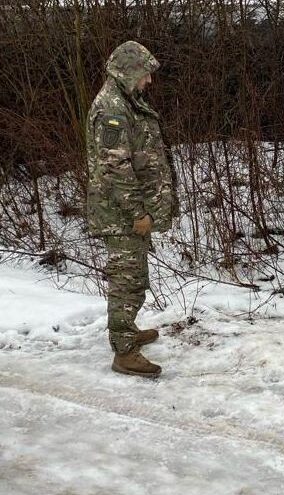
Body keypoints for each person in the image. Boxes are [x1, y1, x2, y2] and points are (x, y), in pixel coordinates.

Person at [86, 41, 178, 378]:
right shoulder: (112, 109)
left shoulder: (126, 101)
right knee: (127, 280)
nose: (148, 81)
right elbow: (115, 169)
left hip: (126, 211)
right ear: (127, 72)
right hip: (120, 214)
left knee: (134, 276)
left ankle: (126, 330)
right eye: (144, 74)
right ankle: (124, 351)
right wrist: (138, 212)